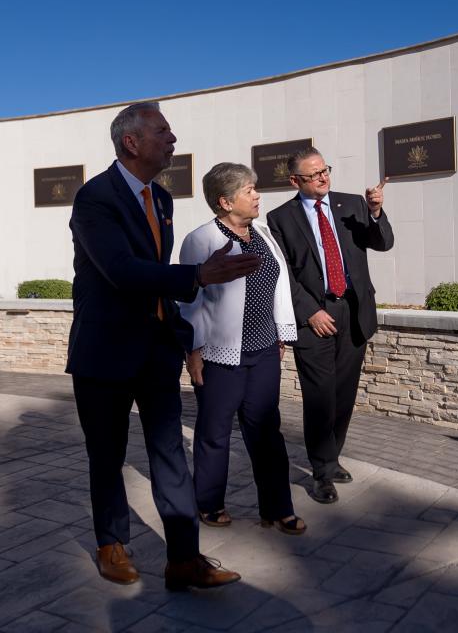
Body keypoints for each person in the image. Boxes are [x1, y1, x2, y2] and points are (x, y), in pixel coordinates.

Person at [68, 102, 258, 590]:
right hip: (105, 351)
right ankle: (112, 544)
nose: (172, 139)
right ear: (131, 142)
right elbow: (120, 270)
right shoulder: (95, 199)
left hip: (155, 349)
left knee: (171, 452)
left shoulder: (164, 199)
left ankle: (184, 559)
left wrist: (181, 332)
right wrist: (197, 275)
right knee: (107, 455)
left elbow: (153, 273)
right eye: (163, 132)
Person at [179, 162, 305, 535]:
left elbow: (278, 285)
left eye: (255, 188)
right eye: (249, 190)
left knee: (267, 431)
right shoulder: (200, 240)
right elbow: (190, 300)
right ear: (224, 200)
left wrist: (281, 331)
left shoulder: (263, 233)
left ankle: (277, 508)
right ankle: (210, 502)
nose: (257, 196)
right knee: (215, 432)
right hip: (220, 355)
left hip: (265, 349)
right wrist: (194, 350)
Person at [267, 147, 393, 503]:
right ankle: (321, 471)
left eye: (325, 170)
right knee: (320, 397)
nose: (323, 177)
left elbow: (382, 242)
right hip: (314, 317)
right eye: (314, 174)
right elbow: (283, 272)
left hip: (352, 313)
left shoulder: (352, 204)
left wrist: (375, 212)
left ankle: (332, 456)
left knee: (343, 394)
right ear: (295, 181)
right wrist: (309, 312)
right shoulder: (281, 218)